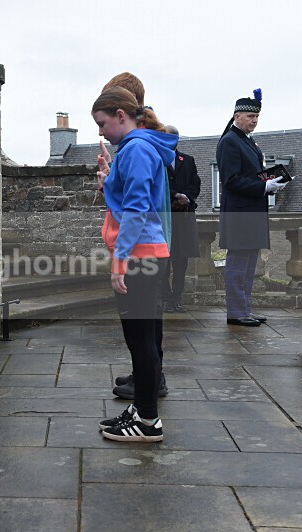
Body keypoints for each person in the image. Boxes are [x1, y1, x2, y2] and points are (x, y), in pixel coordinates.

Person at [92, 87, 177, 442]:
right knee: (143, 339)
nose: (100, 132)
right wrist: (109, 177)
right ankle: (141, 409)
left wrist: (119, 261)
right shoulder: (136, 148)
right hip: (146, 256)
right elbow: (131, 197)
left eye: (102, 123)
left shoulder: (138, 149)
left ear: (121, 115)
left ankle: (147, 422)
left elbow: (138, 209)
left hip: (140, 258)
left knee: (140, 341)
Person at [217, 89, 287, 326]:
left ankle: (244, 309)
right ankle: (236, 313)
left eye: (256, 117)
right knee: (238, 265)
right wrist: (264, 188)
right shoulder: (229, 141)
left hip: (251, 212)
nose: (254, 120)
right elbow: (231, 180)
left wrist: (271, 181)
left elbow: (251, 175)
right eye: (250, 116)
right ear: (237, 116)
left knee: (248, 266)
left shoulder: (248, 142)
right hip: (239, 213)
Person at [161, 125, 201, 313]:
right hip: (164, 218)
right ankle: (165, 298)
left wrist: (187, 197)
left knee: (181, 261)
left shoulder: (188, 160)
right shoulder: (157, 161)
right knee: (163, 261)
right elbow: (156, 186)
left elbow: (196, 184)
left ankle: (177, 299)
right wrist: (175, 196)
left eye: (173, 138)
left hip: (184, 217)